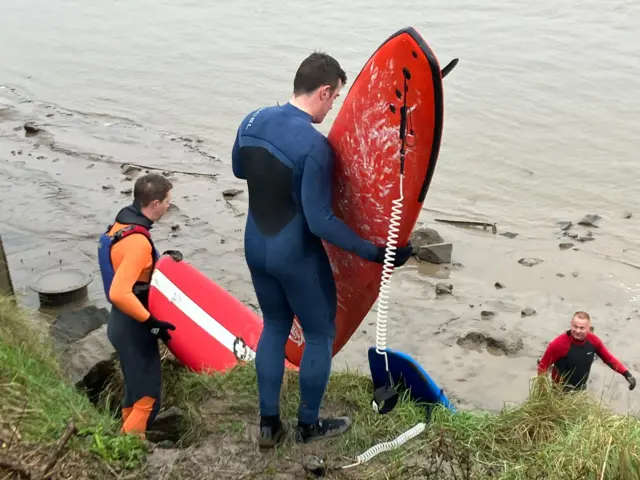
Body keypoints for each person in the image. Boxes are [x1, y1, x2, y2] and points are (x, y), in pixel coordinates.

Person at [231, 51, 413, 448]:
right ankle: (308, 425)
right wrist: (375, 252)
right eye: (334, 100)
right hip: (295, 254)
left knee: (275, 326)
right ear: (325, 91)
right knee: (318, 335)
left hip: (255, 245)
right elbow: (319, 221)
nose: (333, 109)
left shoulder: (251, 120)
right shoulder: (315, 147)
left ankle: (268, 425)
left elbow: (239, 170)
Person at [97, 173, 182, 439]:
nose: (170, 206)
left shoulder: (121, 224)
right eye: (167, 201)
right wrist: (151, 323)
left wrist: (164, 260)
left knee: (134, 390)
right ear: (155, 203)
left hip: (119, 325)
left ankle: (131, 435)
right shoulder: (138, 242)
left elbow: (134, 272)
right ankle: (128, 447)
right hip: (134, 329)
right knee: (148, 397)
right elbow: (120, 292)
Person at [537, 311, 636, 392]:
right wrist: (543, 392)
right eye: (575, 326)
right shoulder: (558, 344)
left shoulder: (593, 341)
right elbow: (543, 366)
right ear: (571, 324)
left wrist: (627, 374)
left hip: (581, 389)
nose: (577, 331)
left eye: (582, 328)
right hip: (560, 390)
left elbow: (608, 358)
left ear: (589, 328)